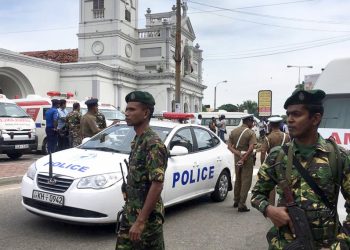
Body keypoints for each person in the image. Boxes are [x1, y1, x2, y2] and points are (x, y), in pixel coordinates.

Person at [251, 89, 350, 249]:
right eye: (288, 114)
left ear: (315, 118)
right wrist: (269, 210)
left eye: (296, 114)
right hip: (287, 244)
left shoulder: (338, 157)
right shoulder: (278, 156)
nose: (289, 120)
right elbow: (257, 194)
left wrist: (342, 243)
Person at [116, 91, 168, 249]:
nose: (127, 113)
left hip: (147, 221)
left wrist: (140, 222)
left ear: (145, 113)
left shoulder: (153, 144)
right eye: (127, 109)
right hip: (130, 214)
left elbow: (157, 184)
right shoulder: (138, 139)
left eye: (132, 110)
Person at [227, 114, 257, 212]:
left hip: (237, 157)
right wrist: (243, 158)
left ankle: (236, 200)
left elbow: (229, 146)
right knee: (246, 181)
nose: (252, 124)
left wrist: (238, 154)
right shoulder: (250, 133)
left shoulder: (234, 131)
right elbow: (251, 147)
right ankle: (242, 204)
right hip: (247, 158)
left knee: (238, 178)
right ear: (248, 121)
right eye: (252, 122)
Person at [260, 116, 290, 205]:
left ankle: (271, 205)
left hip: (271, 164)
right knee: (284, 185)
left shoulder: (268, 137)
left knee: (271, 186)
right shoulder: (287, 136)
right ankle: (284, 204)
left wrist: (263, 164)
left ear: (270, 125)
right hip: (284, 163)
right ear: (280, 124)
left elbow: (262, 152)